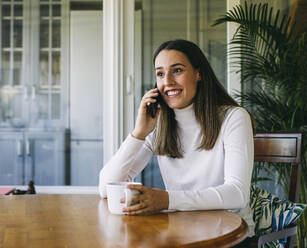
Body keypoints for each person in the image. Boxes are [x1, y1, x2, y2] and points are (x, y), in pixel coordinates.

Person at [98, 39, 255, 236]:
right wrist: (138, 134)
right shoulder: (158, 124)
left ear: (198, 74)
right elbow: (105, 188)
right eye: (160, 74)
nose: (168, 82)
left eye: (177, 70)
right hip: (181, 231)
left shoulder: (233, 118)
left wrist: (168, 200)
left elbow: (237, 194)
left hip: (230, 234)